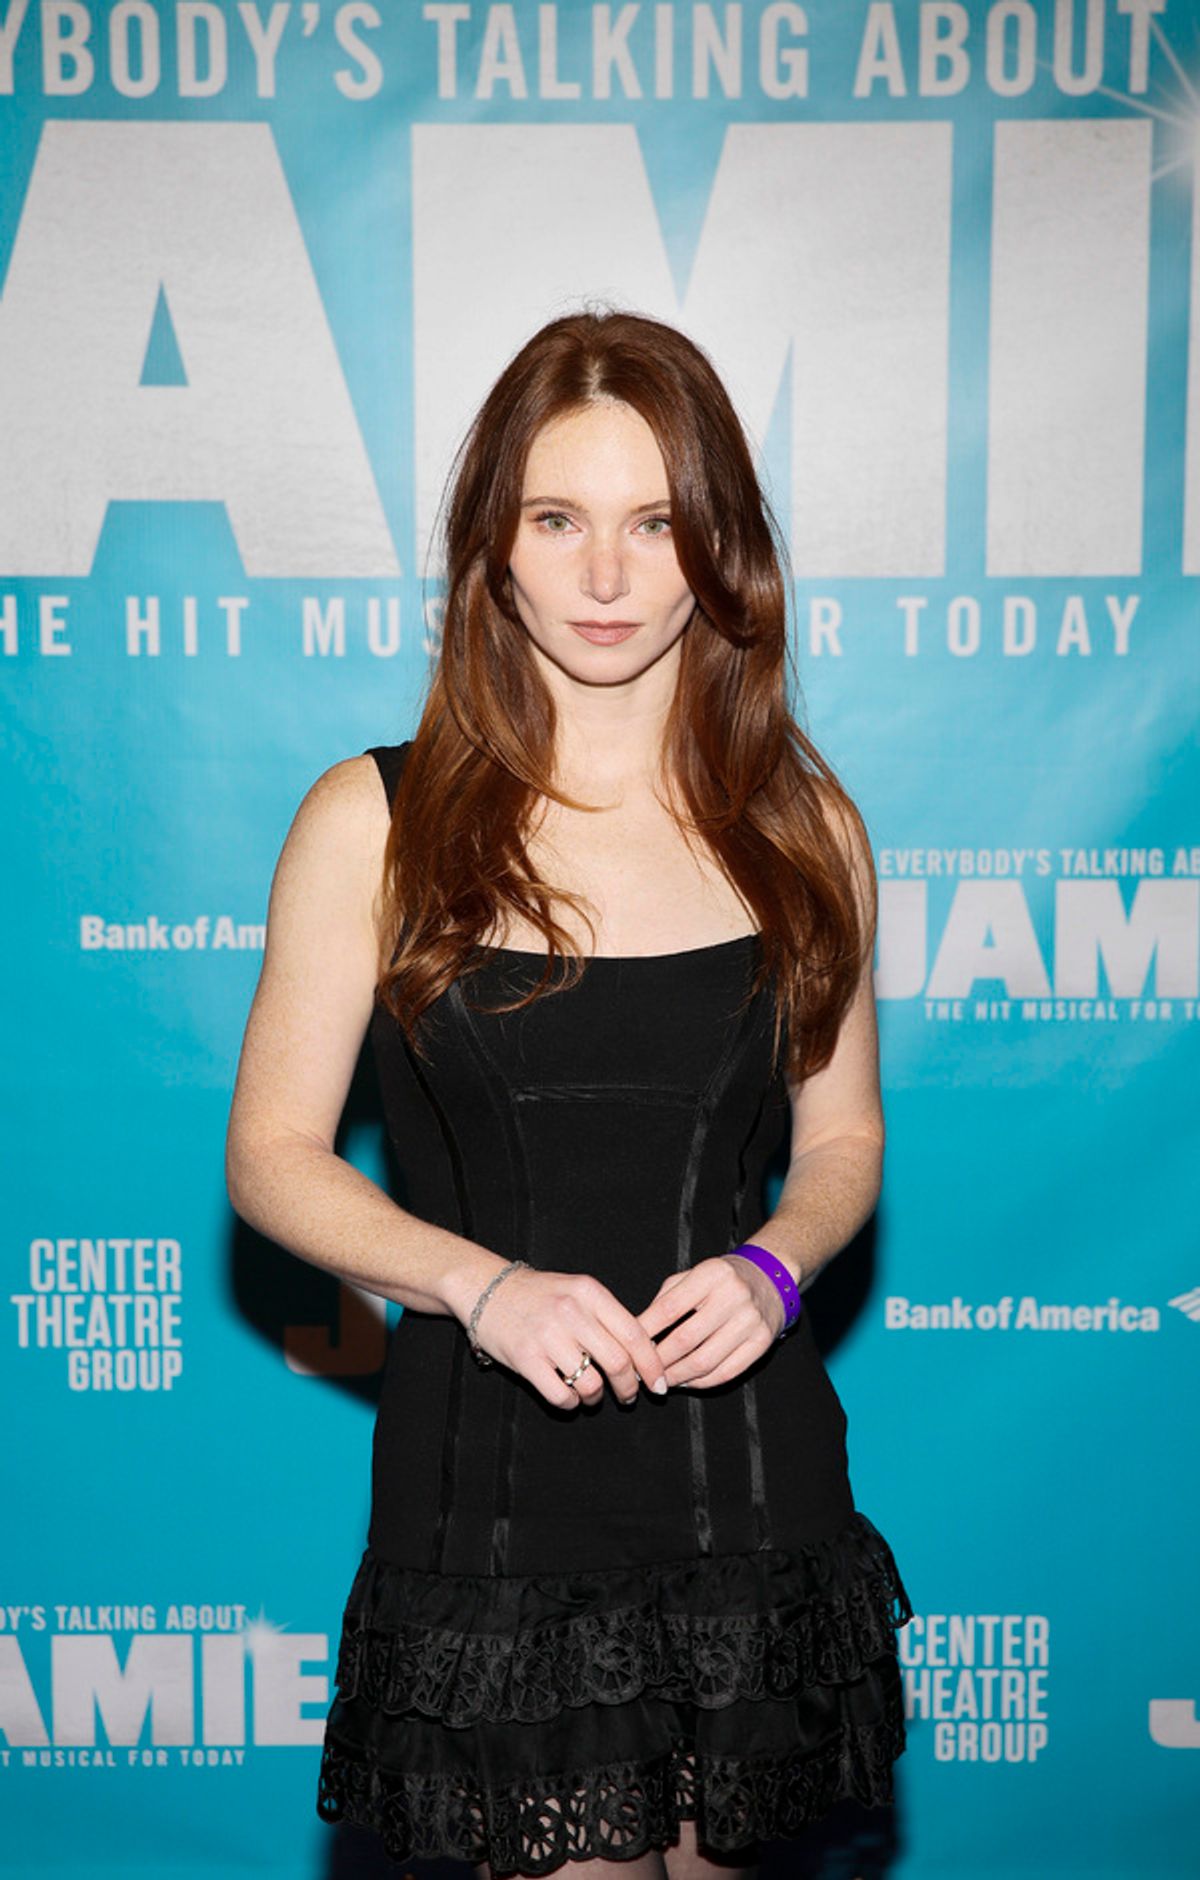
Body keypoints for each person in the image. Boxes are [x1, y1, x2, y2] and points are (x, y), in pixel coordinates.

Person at [225, 307, 913, 1880]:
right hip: (495, 1493)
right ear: (495, 546)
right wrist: (482, 1287)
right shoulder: (373, 821)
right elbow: (270, 1154)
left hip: (753, 1481)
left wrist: (775, 1267)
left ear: (719, 549)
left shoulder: (806, 826)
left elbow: (846, 1138)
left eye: (654, 523)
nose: (606, 575)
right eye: (557, 519)